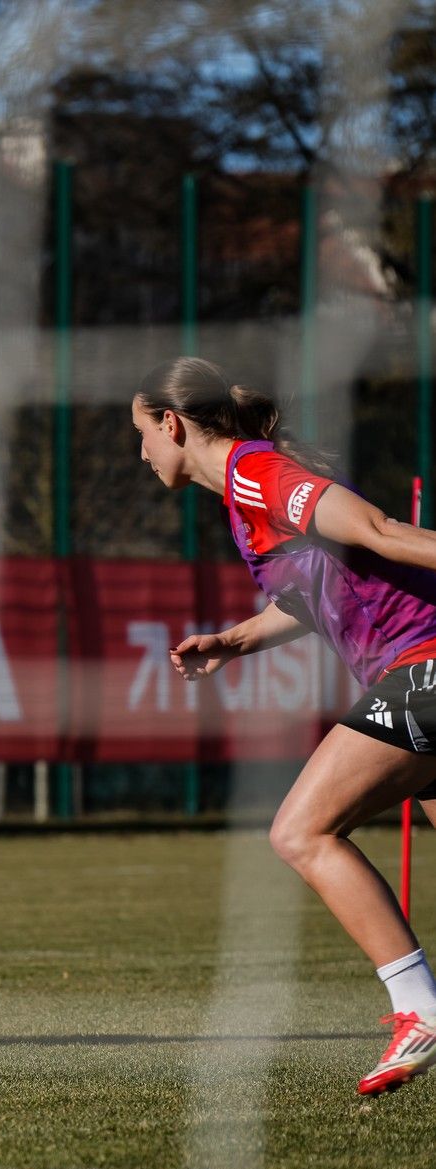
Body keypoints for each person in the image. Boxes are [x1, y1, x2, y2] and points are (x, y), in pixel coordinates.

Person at [137, 356, 436, 1097]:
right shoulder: (242, 500)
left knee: (300, 831)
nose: (140, 452)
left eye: (140, 434)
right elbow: (319, 592)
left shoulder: (254, 474)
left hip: (427, 664)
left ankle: (420, 1009)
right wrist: (232, 641)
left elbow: (380, 531)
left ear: (171, 425)